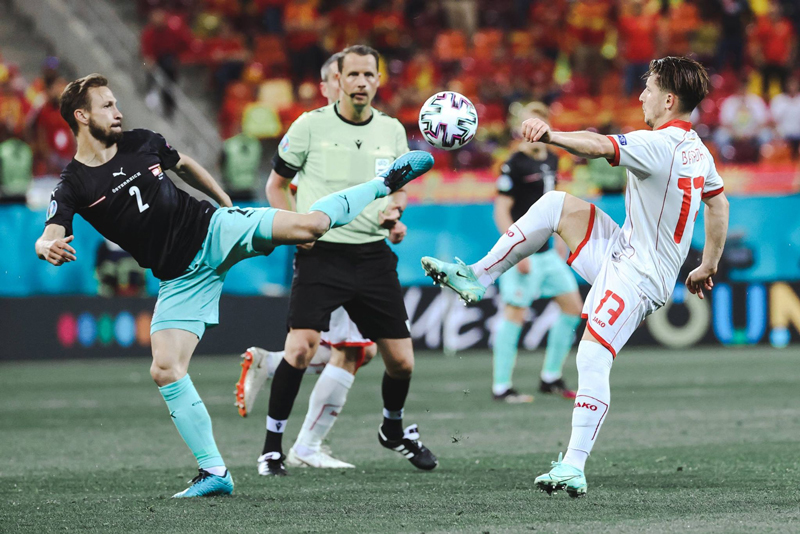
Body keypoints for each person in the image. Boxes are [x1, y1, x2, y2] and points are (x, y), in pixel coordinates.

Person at [34, 73, 433, 498]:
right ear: (82, 116)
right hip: (180, 277)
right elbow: (51, 231)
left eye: (116, 103)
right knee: (165, 368)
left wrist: (223, 200)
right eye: (107, 106)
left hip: (214, 230)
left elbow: (183, 164)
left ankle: (384, 183)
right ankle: (214, 472)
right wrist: (46, 246)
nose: (117, 112)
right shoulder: (74, 183)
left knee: (313, 226)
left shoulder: (141, 141)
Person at [422, 57, 729, 497]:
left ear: (668, 99)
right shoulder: (697, 150)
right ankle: (477, 276)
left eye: (648, 88)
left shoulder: (658, 145)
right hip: (625, 249)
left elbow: (598, 145)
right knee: (555, 204)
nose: (641, 96)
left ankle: (573, 465)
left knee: (593, 355)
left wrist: (552, 136)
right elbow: (718, 204)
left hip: (639, 275)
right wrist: (708, 264)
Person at [255, 45, 438, 477]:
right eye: (352, 74)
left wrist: (394, 214)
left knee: (401, 362)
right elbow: (275, 185)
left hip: (373, 256)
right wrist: (295, 228)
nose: (360, 82)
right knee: (300, 348)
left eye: (368, 75)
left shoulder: (391, 130)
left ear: (378, 80)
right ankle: (271, 450)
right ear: (336, 80)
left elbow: (397, 188)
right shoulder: (309, 126)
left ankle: (392, 429)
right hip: (321, 255)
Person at [491, 102, 583, 404]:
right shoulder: (513, 164)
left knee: (572, 307)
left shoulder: (552, 158)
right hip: (524, 253)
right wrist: (517, 250)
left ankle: (550, 377)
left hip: (547, 254)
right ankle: (501, 386)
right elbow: (501, 211)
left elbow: (551, 204)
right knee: (515, 314)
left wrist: (559, 235)